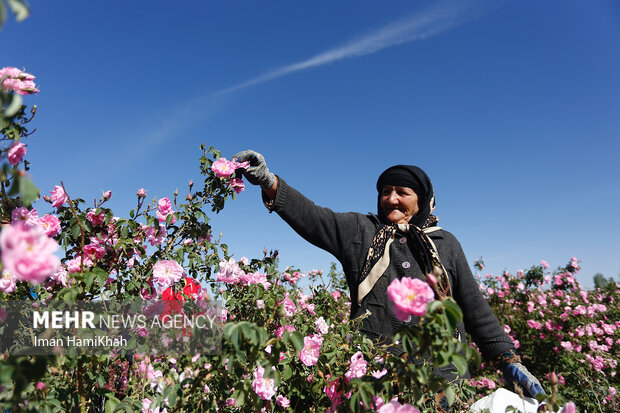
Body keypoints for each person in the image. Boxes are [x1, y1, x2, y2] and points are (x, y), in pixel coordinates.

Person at [233, 149, 545, 400]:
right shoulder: (362, 231)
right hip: (378, 382)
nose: (391, 198)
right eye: (386, 191)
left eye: (402, 192)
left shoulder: (444, 243)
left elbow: (476, 311)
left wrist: (509, 361)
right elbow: (314, 218)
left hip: (445, 385)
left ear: (421, 200)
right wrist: (269, 181)